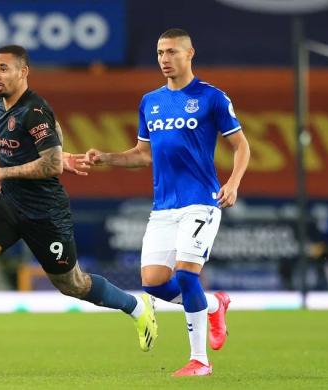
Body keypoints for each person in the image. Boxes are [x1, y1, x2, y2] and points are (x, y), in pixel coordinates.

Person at [0, 45, 158, 376]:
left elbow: (50, 166)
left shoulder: (34, 110)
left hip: (45, 213)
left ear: (23, 72)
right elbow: (53, 146)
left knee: (73, 284)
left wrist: (11, 170)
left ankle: (134, 306)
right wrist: (63, 155)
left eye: (2, 69)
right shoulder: (1, 106)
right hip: (9, 204)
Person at [79, 29, 251, 376]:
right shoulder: (150, 102)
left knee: (188, 276)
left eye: (171, 52)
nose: (164, 59)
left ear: (190, 54)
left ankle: (200, 360)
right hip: (163, 208)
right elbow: (143, 155)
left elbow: (242, 146)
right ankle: (215, 305)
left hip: (200, 202)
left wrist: (232, 183)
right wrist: (106, 158)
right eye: (159, 53)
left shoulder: (212, 98)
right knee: (154, 283)